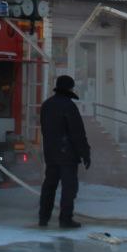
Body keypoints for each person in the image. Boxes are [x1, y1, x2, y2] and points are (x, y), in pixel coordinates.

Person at [39, 74, 91, 229]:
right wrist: (85, 152)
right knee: (69, 188)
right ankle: (65, 219)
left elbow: (45, 130)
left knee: (49, 186)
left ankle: (43, 218)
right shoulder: (68, 106)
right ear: (69, 88)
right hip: (67, 154)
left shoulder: (46, 105)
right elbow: (77, 132)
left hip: (50, 153)